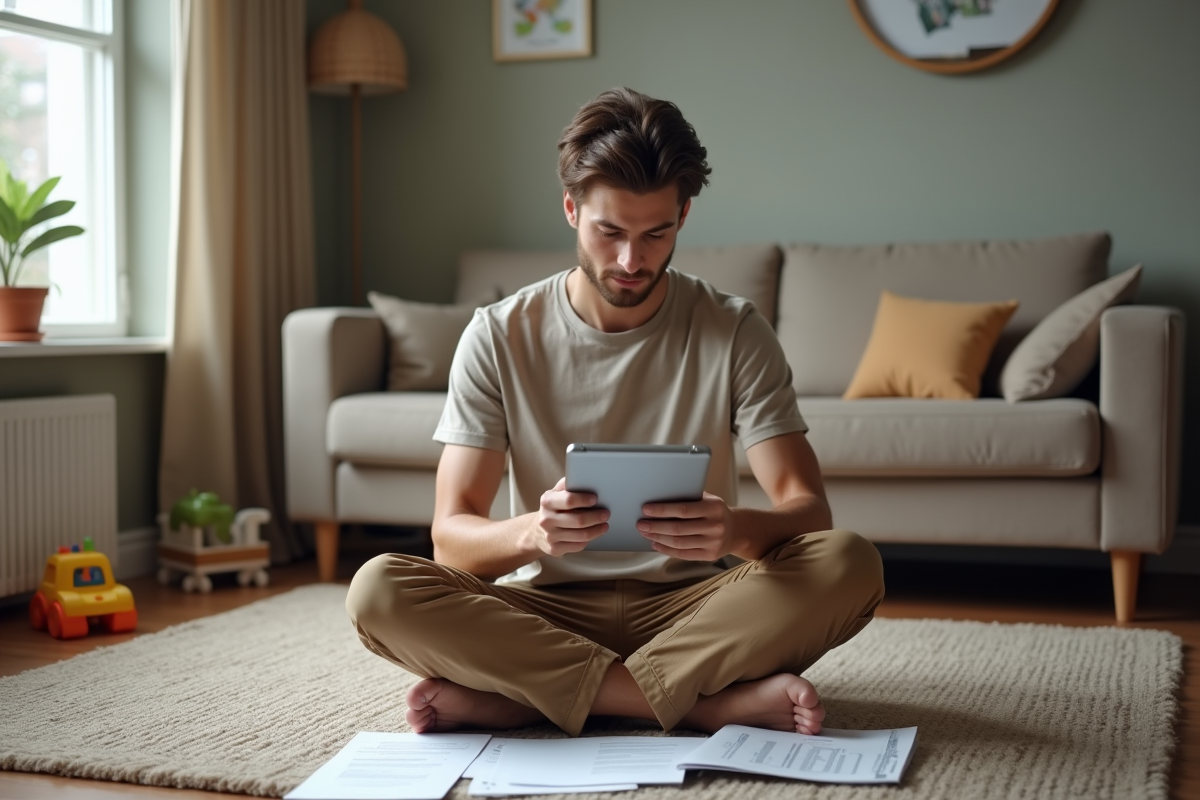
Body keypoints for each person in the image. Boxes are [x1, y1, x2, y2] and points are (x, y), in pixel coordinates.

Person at [346, 87, 884, 738]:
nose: (632, 261)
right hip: (543, 607)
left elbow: (810, 513)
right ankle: (700, 703)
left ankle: (537, 697)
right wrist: (532, 535)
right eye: (610, 232)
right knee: (379, 589)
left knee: (849, 562)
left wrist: (733, 531)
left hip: (698, 605)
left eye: (656, 233)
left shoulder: (735, 329)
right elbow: (450, 540)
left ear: (684, 215)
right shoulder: (496, 335)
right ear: (571, 209)